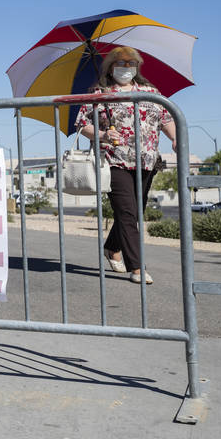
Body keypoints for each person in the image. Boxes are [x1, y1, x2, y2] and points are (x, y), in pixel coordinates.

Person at [76, 46, 176, 285]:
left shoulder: (150, 92)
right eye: (120, 64)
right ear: (111, 67)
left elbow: (166, 118)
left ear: (137, 67)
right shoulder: (100, 94)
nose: (126, 68)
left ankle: (112, 247)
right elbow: (82, 123)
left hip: (147, 160)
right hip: (115, 160)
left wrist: (175, 138)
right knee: (127, 213)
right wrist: (101, 135)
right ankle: (137, 268)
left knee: (135, 212)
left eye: (130, 64)